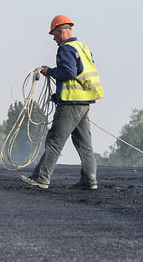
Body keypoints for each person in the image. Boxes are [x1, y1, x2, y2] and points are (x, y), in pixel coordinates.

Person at [20, 15, 104, 190]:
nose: (53, 38)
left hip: (71, 104)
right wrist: (58, 96)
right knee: (84, 143)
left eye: (54, 34)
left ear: (61, 31)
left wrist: (48, 71)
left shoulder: (66, 49)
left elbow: (69, 72)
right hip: (83, 102)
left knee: (55, 140)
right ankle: (89, 180)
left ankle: (41, 178)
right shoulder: (82, 47)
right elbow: (79, 75)